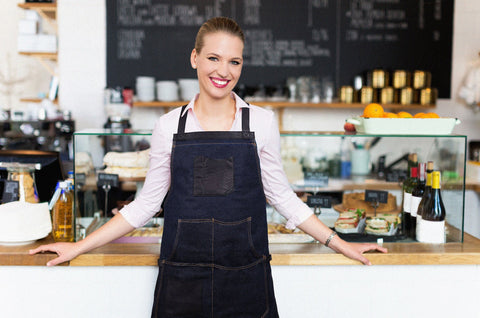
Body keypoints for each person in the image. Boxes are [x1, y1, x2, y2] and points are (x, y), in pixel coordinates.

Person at [31, 16, 387, 317]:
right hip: (182, 280)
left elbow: (283, 198)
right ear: (194, 58)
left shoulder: (261, 123)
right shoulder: (169, 126)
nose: (223, 71)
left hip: (247, 279)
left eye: (234, 61)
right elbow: (145, 205)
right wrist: (77, 247)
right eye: (214, 58)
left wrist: (341, 243)